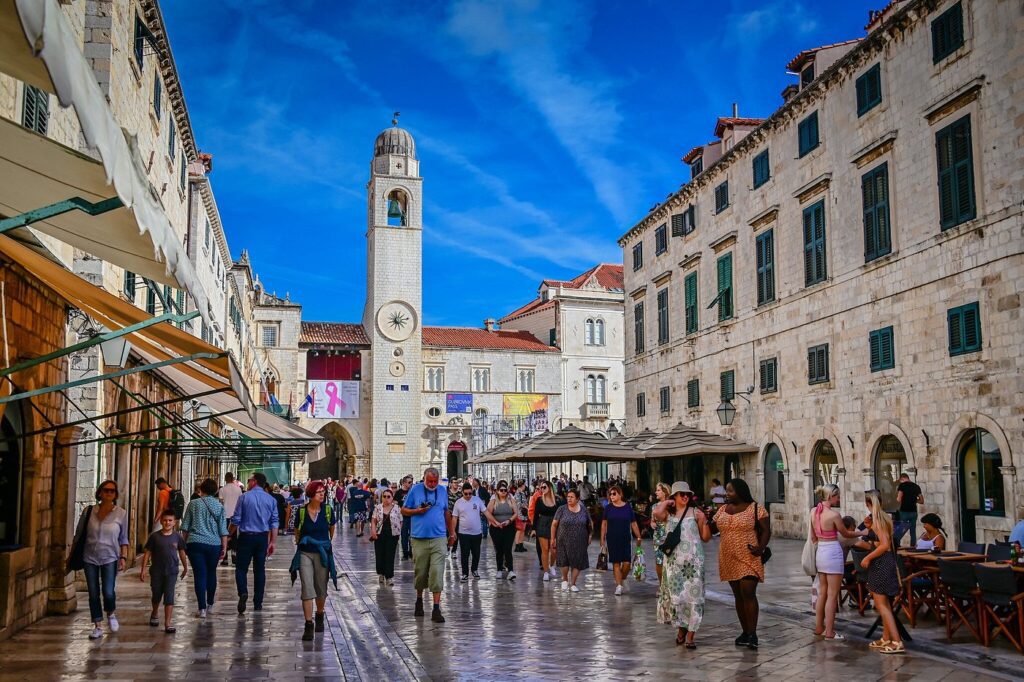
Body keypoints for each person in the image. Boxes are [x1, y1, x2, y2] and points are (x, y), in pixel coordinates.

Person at [709, 478, 771, 649]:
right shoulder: (722, 509)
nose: (727, 494)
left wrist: (761, 547)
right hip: (728, 556)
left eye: (730, 491)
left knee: (748, 591)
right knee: (738, 595)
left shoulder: (755, 508)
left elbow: (766, 530)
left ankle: (753, 633)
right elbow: (712, 528)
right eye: (727, 491)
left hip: (749, 555)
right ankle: (745, 631)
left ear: (741, 491)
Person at [68, 480, 129, 640]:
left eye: (112, 491)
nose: (108, 493)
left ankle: (111, 613)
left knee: (108, 591)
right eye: (106, 490)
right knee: (93, 593)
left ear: (115, 495)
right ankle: (97, 625)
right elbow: (79, 535)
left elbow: (124, 538)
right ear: (100, 493)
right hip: (90, 557)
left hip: (110, 557)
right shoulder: (89, 511)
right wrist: (71, 556)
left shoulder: (121, 514)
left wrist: (123, 556)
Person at [655, 481, 711, 648]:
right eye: (682, 494)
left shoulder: (696, 513)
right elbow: (657, 513)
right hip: (674, 563)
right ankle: (681, 630)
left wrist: (705, 521)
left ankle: (691, 635)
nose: (686, 497)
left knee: (694, 596)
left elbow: (706, 538)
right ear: (674, 496)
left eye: (688, 494)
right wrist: (666, 502)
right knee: (679, 598)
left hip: (694, 563)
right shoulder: (668, 514)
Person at [810, 484, 868, 641]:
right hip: (832, 553)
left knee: (822, 592)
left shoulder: (814, 512)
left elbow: (813, 537)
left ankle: (818, 627)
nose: (839, 499)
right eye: (837, 496)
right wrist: (862, 532)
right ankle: (829, 631)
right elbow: (846, 533)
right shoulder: (834, 515)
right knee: (832, 594)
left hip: (820, 551)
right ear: (830, 496)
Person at [402, 467, 455, 623]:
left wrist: (451, 533)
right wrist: (417, 511)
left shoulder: (443, 491)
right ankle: (419, 599)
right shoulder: (415, 490)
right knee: (421, 572)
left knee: (437, 572)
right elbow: (404, 510)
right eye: (429, 481)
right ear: (424, 478)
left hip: (439, 537)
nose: (432, 484)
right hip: (419, 538)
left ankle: (436, 608)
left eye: (434, 481)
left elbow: (446, 512)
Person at [857, 490, 905, 655]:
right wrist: (870, 529)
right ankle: (886, 637)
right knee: (886, 603)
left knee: (882, 605)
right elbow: (882, 540)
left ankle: (897, 641)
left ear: (867, 503)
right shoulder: (885, 518)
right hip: (888, 562)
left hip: (880, 564)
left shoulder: (878, 519)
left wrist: (867, 558)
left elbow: (884, 545)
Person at [292, 481, 337, 641]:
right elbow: (297, 528)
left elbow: (332, 528)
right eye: (318, 492)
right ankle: (308, 624)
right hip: (305, 552)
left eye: (323, 491)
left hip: (322, 552)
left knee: (321, 587)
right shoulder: (302, 511)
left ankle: (319, 614)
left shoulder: (327, 510)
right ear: (311, 494)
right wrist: (299, 541)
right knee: (307, 586)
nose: (322, 494)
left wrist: (326, 543)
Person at [229, 472, 279, 614]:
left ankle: (243, 592)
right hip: (262, 538)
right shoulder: (271, 500)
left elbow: (236, 520)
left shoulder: (244, 497)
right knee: (259, 570)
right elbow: (274, 522)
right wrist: (273, 542)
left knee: (241, 568)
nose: (248, 482)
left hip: (246, 537)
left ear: (254, 482)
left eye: (250, 480)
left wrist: (228, 534)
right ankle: (258, 602)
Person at [179, 478, 228, 618]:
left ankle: (201, 609)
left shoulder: (193, 504)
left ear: (202, 489)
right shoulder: (219, 506)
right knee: (211, 573)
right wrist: (224, 547)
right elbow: (223, 530)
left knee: (199, 575)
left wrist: (185, 544)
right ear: (216, 491)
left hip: (195, 543)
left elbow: (185, 527)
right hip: (214, 544)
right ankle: (210, 604)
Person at [140, 509, 188, 633]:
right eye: (165, 520)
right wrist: (143, 569)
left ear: (174, 522)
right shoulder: (154, 537)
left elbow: (182, 552)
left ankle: (168, 623)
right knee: (156, 594)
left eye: (170, 520)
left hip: (172, 571)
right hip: (156, 571)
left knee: (169, 595)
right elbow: (147, 553)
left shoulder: (178, 536)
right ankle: (155, 612)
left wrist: (185, 567)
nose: (167, 523)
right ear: (161, 521)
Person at [601, 484, 642, 596]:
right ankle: (618, 586)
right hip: (612, 538)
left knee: (627, 563)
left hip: (626, 538)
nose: (612, 496)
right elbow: (604, 524)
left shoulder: (627, 507)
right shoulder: (608, 508)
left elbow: (633, 523)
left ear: (620, 494)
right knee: (616, 563)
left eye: (614, 493)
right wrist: (602, 538)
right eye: (610, 494)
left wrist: (638, 536)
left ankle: (623, 579)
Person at [550, 488, 592, 592]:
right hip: (563, 539)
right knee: (564, 560)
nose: (569, 499)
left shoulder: (584, 510)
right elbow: (554, 524)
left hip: (580, 540)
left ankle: (573, 583)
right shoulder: (561, 509)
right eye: (568, 497)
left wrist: (590, 536)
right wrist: (552, 538)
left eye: (572, 497)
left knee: (577, 561)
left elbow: (590, 524)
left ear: (577, 499)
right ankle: (564, 579)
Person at [484, 480, 519, 580]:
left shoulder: (511, 499)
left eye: (505, 490)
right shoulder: (494, 500)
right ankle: (499, 569)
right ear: (497, 491)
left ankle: (511, 570)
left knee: (508, 549)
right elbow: (488, 513)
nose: (503, 492)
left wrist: (509, 520)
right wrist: (495, 523)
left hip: (509, 527)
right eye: (501, 490)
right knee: (499, 549)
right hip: (496, 528)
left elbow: (516, 513)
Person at [452, 483, 486, 581]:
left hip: (477, 533)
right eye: (465, 494)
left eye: (470, 493)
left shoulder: (477, 500)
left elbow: (486, 512)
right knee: (464, 554)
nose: (468, 496)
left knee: (476, 553)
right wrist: (453, 531)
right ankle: (465, 573)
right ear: (462, 492)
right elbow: (454, 518)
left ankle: (474, 570)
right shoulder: (458, 503)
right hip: (463, 533)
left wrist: (494, 522)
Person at [370, 486, 402, 586]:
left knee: (390, 555)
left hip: (392, 535)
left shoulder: (397, 508)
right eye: (384, 496)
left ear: (392, 498)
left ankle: (389, 577)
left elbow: (401, 520)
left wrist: (399, 531)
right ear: (382, 497)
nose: (386, 498)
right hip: (380, 534)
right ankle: (381, 574)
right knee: (380, 555)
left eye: (389, 496)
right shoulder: (378, 508)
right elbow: (374, 520)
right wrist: (373, 531)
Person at [533, 481, 559, 581]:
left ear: (550, 488)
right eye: (541, 487)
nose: (542, 489)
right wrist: (534, 529)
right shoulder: (539, 500)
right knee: (545, 550)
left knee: (554, 550)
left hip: (554, 525)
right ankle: (546, 572)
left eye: (544, 487)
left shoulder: (557, 500)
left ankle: (552, 565)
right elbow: (536, 515)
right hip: (542, 524)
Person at [218, 472, 244, 566]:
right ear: (233, 479)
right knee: (234, 537)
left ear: (225, 479)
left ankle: (224, 558)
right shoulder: (238, 489)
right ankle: (234, 555)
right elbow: (241, 502)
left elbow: (220, 502)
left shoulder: (222, 489)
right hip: (236, 516)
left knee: (224, 536)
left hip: (225, 516)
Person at [650, 482, 672, 583]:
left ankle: (670, 585)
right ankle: (661, 585)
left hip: (669, 535)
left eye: (658, 490)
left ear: (665, 492)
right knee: (659, 561)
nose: (656, 492)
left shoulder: (671, 505)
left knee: (670, 561)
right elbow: (652, 521)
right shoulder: (654, 506)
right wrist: (652, 524)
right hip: (658, 536)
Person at [895, 473, 923, 546]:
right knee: (913, 531)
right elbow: (921, 501)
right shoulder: (916, 486)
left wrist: (901, 498)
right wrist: (913, 500)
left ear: (902, 479)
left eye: (900, 481)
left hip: (904, 511)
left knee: (901, 529)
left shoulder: (902, 486)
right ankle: (913, 546)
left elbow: (899, 499)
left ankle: (897, 545)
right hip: (913, 511)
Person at [396, 476, 414, 560]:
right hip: (402, 517)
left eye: (412, 482)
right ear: (404, 483)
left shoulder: (413, 492)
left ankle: (411, 552)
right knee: (404, 535)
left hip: (412, 516)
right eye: (409, 482)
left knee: (412, 535)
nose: (411, 484)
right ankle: (405, 553)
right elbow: (395, 504)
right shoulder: (399, 492)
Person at [513, 481, 531, 552]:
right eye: (524, 485)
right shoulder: (518, 494)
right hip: (519, 514)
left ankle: (520, 544)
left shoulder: (521, 493)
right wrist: (527, 508)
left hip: (523, 514)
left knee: (522, 530)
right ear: (522, 485)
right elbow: (519, 504)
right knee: (519, 530)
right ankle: (517, 545)